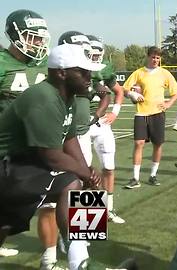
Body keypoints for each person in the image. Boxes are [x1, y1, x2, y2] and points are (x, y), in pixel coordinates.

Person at [0, 43, 108, 270]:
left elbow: (69, 140)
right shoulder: (45, 98)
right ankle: (81, 263)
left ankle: (81, 260)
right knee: (71, 179)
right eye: (83, 72)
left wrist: (86, 170)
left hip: (21, 166)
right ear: (62, 73)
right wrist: (85, 172)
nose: (90, 77)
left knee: (5, 224)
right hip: (9, 166)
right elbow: (51, 156)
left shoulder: (65, 97)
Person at [0, 8, 51, 258]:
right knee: (6, 216)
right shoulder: (2, 63)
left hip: (53, 143)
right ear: (14, 35)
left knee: (79, 190)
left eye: (42, 37)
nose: (39, 43)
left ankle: (76, 258)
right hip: (10, 152)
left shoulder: (50, 63)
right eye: (34, 37)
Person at [123, 46, 177, 188]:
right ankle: (135, 178)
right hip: (142, 113)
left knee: (158, 144)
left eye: (158, 58)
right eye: (153, 57)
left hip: (158, 113)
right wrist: (132, 94)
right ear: (148, 57)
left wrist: (168, 104)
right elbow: (124, 89)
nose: (155, 60)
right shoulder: (138, 73)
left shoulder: (164, 73)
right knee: (139, 143)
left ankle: (153, 175)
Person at [85, 34, 126, 222]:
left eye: (97, 54)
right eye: (91, 54)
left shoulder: (105, 69)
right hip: (80, 123)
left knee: (109, 167)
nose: (95, 57)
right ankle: (87, 219)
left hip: (101, 123)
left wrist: (115, 112)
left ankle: (108, 209)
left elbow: (119, 91)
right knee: (85, 171)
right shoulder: (74, 68)